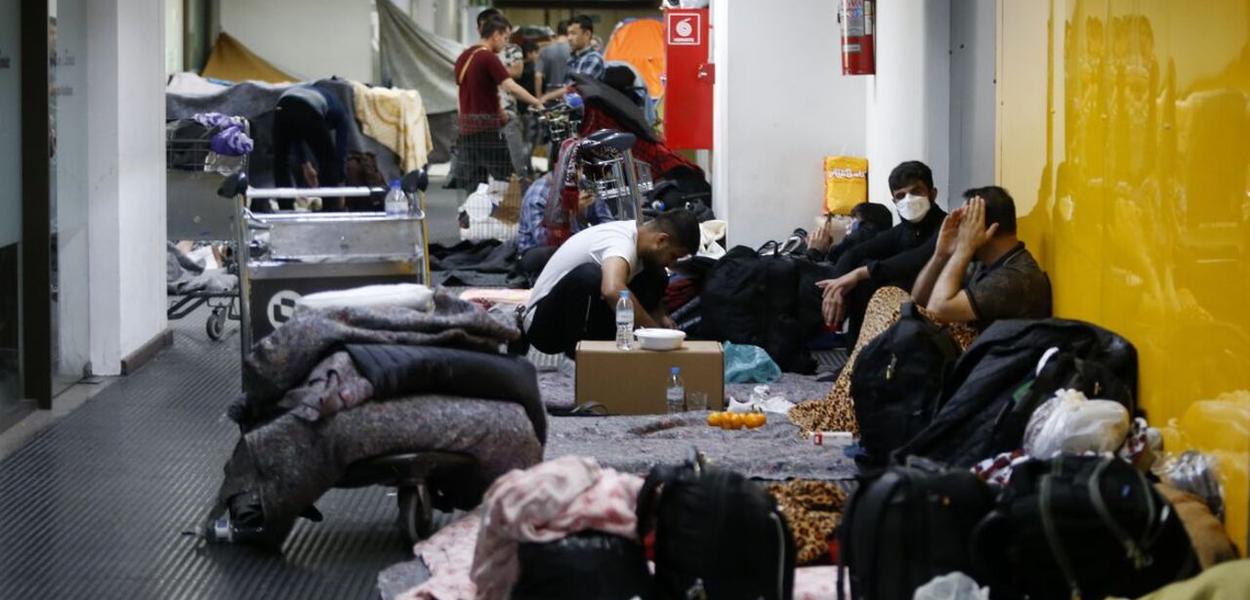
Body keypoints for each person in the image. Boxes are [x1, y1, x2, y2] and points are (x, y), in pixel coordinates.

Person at [524, 210, 701, 357]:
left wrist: (661, 317)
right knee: (590, 276)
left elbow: (649, 289)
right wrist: (654, 333)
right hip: (545, 327)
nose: (672, 264)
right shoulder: (620, 243)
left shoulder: (640, 243)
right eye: (673, 256)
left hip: (583, 314)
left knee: (658, 274)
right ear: (661, 240)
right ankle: (579, 358)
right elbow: (611, 290)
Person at [816, 161, 947, 344]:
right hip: (902, 309)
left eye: (916, 192)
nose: (909, 200)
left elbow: (918, 258)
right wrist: (837, 289)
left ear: (932, 194)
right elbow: (853, 253)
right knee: (849, 275)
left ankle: (863, 358)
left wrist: (859, 273)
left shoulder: (948, 226)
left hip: (936, 305)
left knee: (867, 277)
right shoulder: (902, 230)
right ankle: (856, 357)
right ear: (894, 202)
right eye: (901, 196)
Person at [911, 186, 1052, 325]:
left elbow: (937, 311)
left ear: (983, 229)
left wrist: (963, 249)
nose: (959, 230)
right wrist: (941, 255)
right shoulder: (982, 265)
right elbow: (919, 302)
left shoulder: (1017, 277)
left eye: (965, 223)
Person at [453, 15, 544, 190]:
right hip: (487, 128)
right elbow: (510, 86)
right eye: (505, 38)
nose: (505, 43)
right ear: (495, 35)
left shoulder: (464, 57)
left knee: (476, 182)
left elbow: (463, 91)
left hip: (466, 128)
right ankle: (510, 216)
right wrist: (537, 102)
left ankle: (472, 216)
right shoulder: (488, 58)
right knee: (508, 177)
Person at [271, 84, 352, 211]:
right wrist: (340, 187)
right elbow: (340, 154)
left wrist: (306, 165)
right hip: (307, 108)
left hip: (282, 105)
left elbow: (296, 133)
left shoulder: (320, 97)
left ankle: (285, 208)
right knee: (327, 160)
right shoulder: (342, 116)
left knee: (280, 161)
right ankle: (330, 209)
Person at [539, 15, 605, 103]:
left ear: (587, 34)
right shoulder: (573, 58)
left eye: (573, 33)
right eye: (568, 34)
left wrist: (546, 97)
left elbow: (577, 89)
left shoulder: (593, 59)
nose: (569, 38)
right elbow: (567, 88)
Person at [806, 202, 894, 265]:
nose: (847, 228)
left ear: (869, 226)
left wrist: (814, 253)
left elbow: (820, 280)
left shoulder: (858, 259)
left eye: (853, 223)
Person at [535, 20, 571, 97]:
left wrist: (539, 98)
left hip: (550, 93)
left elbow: (538, 76)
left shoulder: (544, 50)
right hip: (569, 94)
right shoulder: (573, 50)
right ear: (569, 33)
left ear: (557, 32)